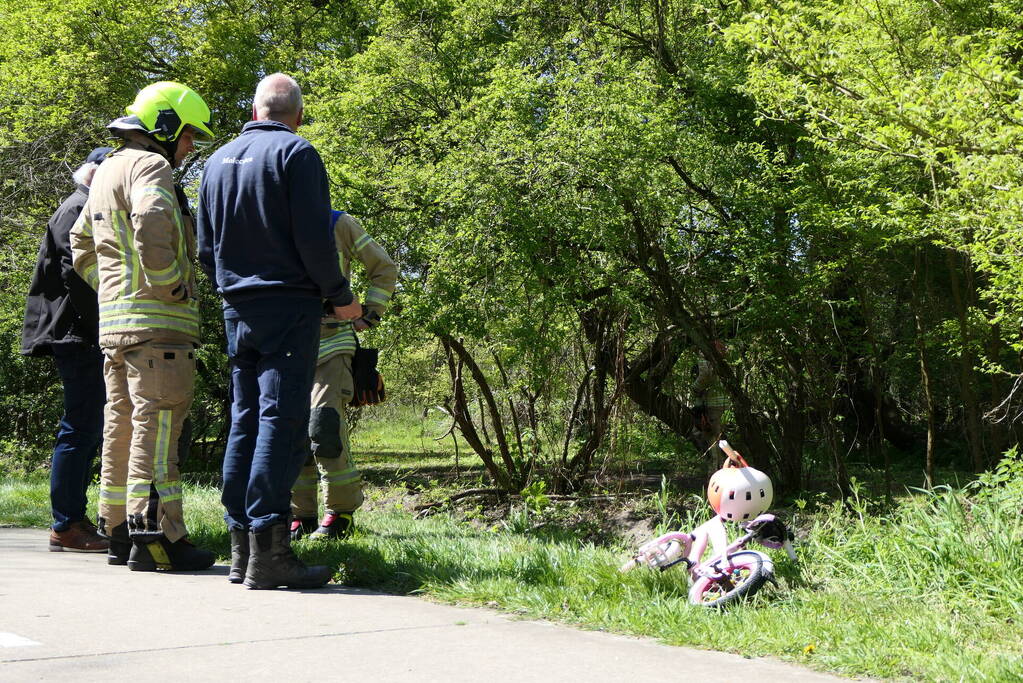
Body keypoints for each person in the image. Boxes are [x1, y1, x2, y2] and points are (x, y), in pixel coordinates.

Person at [197, 73, 361, 589]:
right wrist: (341, 297)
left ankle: (241, 548)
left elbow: (204, 249)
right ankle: (270, 552)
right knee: (281, 420)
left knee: (244, 419)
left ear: (255, 109)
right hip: (289, 305)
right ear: (298, 114)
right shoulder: (298, 154)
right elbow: (315, 241)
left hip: (236, 305)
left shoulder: (215, 161)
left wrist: (234, 286)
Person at [70, 81, 216, 571]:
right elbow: (154, 220)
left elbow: (80, 243)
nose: (190, 146)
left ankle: (116, 530)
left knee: (122, 425)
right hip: (158, 327)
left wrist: (111, 294)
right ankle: (157, 539)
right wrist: (169, 283)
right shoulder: (150, 166)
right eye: (189, 135)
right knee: (159, 428)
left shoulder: (108, 168)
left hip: (116, 327)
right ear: (166, 125)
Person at [21, 147, 112, 553]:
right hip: (77, 336)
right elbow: (75, 276)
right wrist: (104, 329)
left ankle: (75, 519)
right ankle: (67, 523)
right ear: (95, 173)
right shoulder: (77, 209)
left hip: (79, 334)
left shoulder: (80, 206)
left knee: (87, 427)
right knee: (81, 427)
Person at [290, 209, 397, 541]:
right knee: (292, 434)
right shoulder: (271, 222)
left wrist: (371, 313)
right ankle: (300, 514)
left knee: (324, 427)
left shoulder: (339, 222)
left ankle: (341, 512)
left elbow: (384, 268)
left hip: (333, 343)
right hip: (289, 347)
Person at [692, 340, 729, 473]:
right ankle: (719, 471)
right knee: (715, 438)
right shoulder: (721, 357)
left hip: (711, 404)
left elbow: (704, 375)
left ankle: (717, 474)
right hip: (721, 402)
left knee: (712, 440)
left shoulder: (705, 354)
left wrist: (695, 388)